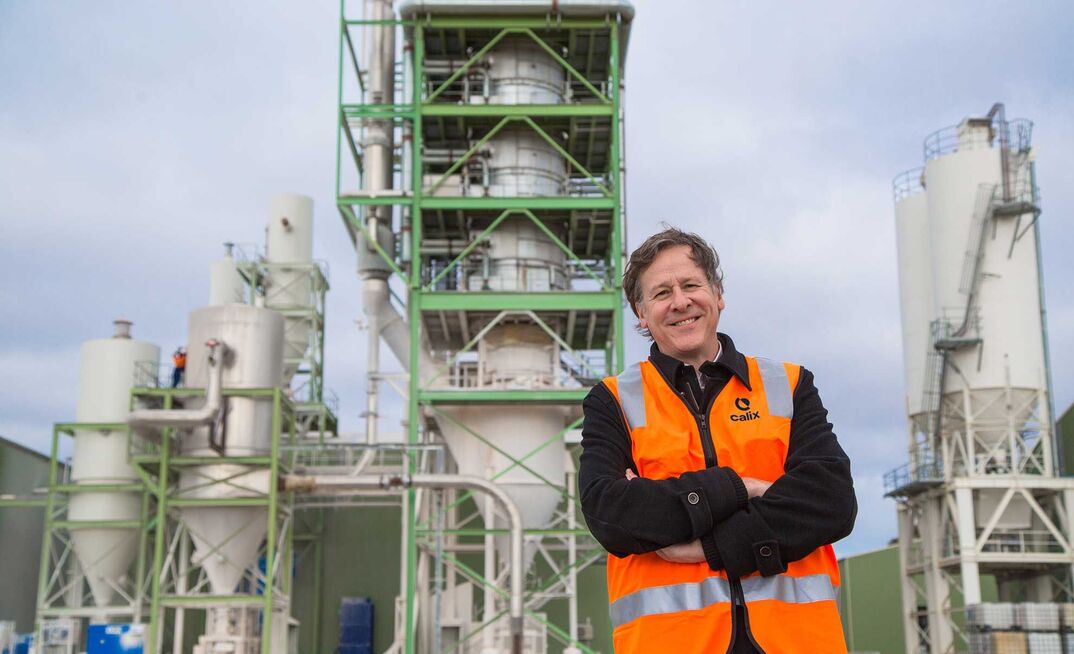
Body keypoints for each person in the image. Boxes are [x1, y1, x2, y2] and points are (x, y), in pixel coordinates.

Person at [579, 227, 856, 653]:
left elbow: (832, 504)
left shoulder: (788, 384)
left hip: (797, 641)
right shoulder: (612, 400)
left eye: (691, 285)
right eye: (661, 293)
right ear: (640, 311)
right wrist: (745, 488)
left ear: (718, 293)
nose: (680, 302)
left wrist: (707, 546)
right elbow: (611, 515)